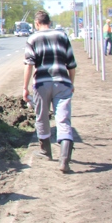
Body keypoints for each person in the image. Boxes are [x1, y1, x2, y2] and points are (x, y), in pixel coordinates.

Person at [23, 10, 77, 172]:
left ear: (37, 23)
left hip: (41, 84)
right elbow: (72, 64)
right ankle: (65, 159)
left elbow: (29, 65)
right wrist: (71, 83)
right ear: (50, 22)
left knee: (42, 117)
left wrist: (25, 87)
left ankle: (46, 151)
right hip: (62, 83)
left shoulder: (32, 39)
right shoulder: (63, 36)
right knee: (63, 119)